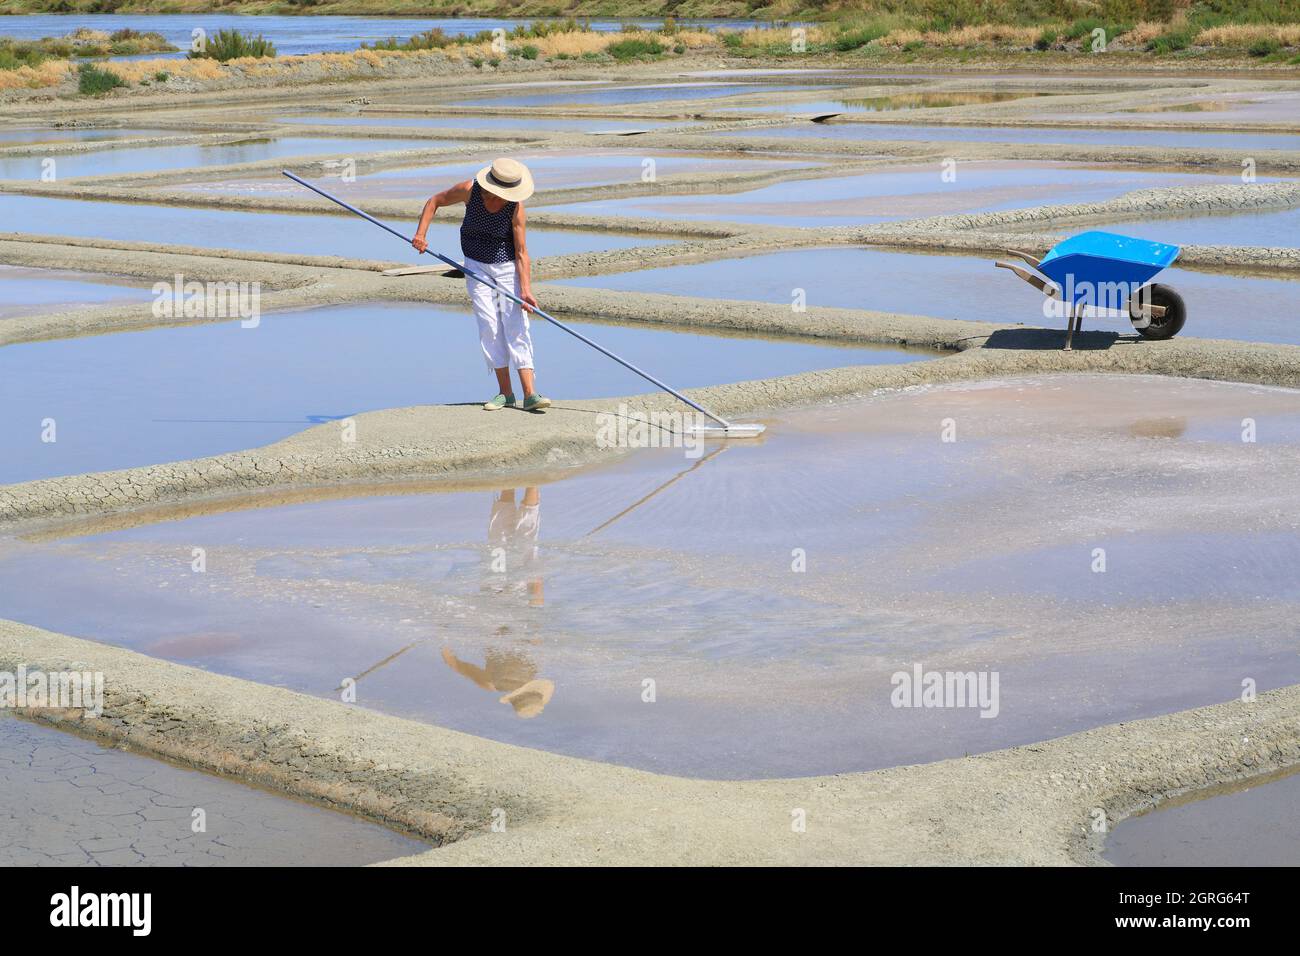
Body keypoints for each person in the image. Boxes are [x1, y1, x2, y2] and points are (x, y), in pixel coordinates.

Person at [412, 157, 550, 412]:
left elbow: (521, 252)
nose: (504, 198)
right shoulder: (470, 191)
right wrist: (421, 234)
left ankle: (530, 394)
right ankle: (505, 393)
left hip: (507, 266)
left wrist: (526, 290)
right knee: (489, 325)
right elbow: (435, 201)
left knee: (515, 324)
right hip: (475, 264)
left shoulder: (516, 208)